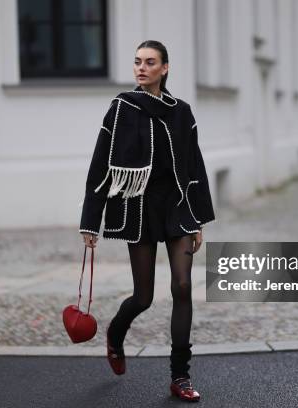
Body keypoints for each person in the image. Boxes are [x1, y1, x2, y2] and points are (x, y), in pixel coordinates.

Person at [78, 40, 215, 402]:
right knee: (143, 297)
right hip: (137, 209)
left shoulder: (182, 112)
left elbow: (195, 165)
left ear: (164, 68)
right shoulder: (121, 109)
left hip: (178, 208)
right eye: (137, 62)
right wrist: (90, 221)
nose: (141, 68)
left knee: (183, 287)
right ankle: (116, 333)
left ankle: (180, 376)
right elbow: (99, 165)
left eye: (150, 62)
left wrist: (198, 218)